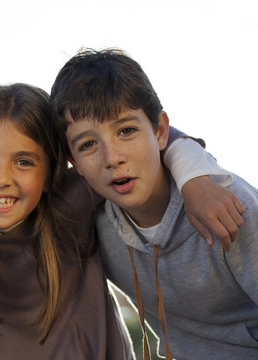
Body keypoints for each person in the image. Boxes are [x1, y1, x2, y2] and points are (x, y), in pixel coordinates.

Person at [50, 48, 258, 359]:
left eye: (126, 131)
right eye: (89, 144)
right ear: (72, 162)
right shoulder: (94, 223)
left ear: (160, 132)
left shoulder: (228, 206)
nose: (113, 158)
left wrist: (193, 174)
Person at [0, 83, 134, 359]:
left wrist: (193, 179)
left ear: (51, 172)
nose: (1, 179)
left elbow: (150, 142)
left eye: (24, 162)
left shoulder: (70, 206)